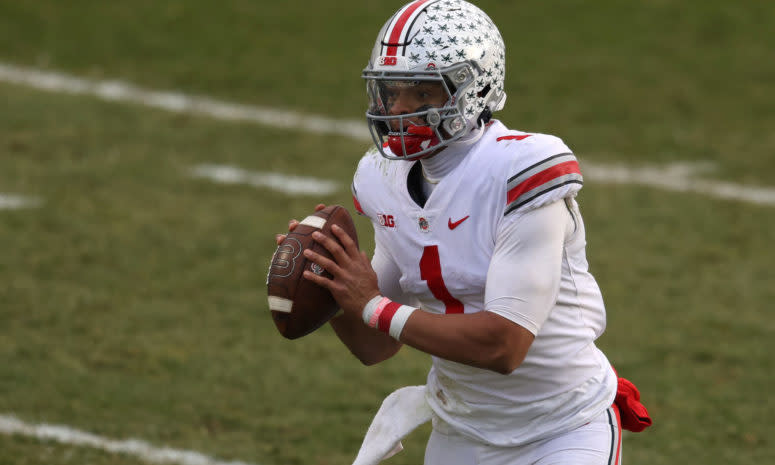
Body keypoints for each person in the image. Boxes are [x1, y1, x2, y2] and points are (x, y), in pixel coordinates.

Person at [276, 0, 650, 463]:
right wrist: (331, 287)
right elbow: (375, 345)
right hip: (463, 431)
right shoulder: (381, 180)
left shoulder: (519, 169)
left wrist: (371, 303)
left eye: (422, 93)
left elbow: (504, 345)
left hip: (563, 426)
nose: (400, 108)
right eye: (391, 91)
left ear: (475, 89)